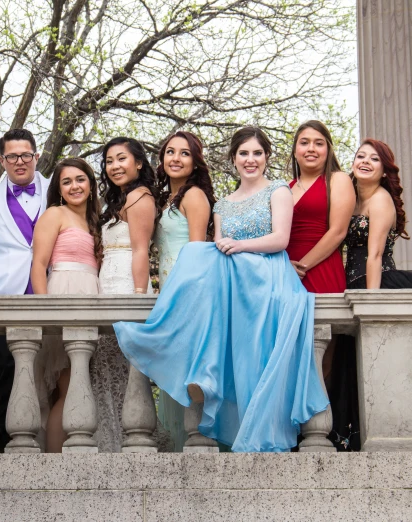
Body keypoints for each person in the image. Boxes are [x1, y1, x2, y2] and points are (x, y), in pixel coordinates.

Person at [114, 127, 328, 452]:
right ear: (233, 159)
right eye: (244, 153)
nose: (250, 160)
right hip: (235, 286)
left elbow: (280, 240)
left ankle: (263, 429)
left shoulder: (279, 191)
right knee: (197, 254)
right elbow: (217, 247)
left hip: (270, 279)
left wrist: (239, 245)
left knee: (258, 352)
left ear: (267, 157)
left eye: (257, 153)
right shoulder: (223, 205)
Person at [327, 138, 412, 450]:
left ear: (385, 170)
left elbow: (373, 256)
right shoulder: (352, 197)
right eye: (361, 156)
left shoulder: (380, 200)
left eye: (374, 159)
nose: (365, 162)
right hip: (353, 284)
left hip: (380, 282)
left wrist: (370, 306)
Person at [0, 128, 51, 453]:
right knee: (8, 384)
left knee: (50, 383)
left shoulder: (57, 190)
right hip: (0, 302)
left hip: (50, 298)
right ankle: (7, 453)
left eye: (25, 155)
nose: (19, 161)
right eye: (12, 156)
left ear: (36, 156)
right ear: (2, 160)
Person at [30, 158, 103, 452]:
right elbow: (38, 265)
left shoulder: (97, 219)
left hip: (93, 295)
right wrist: (46, 310)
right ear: (59, 189)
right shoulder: (54, 214)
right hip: (64, 292)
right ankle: (56, 460)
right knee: (67, 384)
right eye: (67, 181)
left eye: (80, 179)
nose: (75, 186)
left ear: (90, 183)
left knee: (85, 383)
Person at [93, 136, 159, 452]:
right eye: (109, 160)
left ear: (139, 163)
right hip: (107, 283)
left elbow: (140, 250)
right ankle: (108, 442)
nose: (115, 166)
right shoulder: (119, 201)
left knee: (121, 371)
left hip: (126, 286)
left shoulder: (140, 198)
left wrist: (136, 296)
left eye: (121, 158)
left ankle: (122, 443)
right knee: (103, 371)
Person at [153, 131, 215, 452]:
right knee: (174, 374)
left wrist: (185, 297)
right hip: (167, 292)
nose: (176, 158)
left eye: (185, 153)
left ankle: (199, 446)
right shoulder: (165, 199)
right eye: (170, 152)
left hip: (188, 291)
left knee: (191, 372)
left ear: (195, 163)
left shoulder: (193, 197)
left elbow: (196, 251)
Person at [285, 121, 355, 383]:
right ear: (295, 150)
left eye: (318, 143)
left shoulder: (338, 180)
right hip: (287, 273)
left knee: (322, 358)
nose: (311, 148)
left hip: (320, 269)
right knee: (290, 355)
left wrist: (300, 266)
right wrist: (284, 268)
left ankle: (325, 420)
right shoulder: (285, 187)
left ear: (328, 149)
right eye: (304, 143)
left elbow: (338, 232)